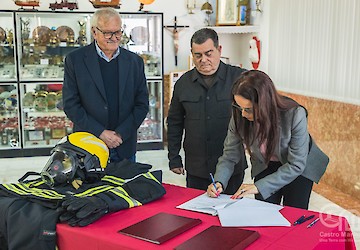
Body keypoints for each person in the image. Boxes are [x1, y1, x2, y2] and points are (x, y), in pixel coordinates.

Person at [207, 70, 329, 209]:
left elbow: (296, 165)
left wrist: (259, 186)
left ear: (265, 104)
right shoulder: (239, 116)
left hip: (298, 166)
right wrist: (219, 181)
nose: (243, 114)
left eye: (249, 109)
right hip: (265, 163)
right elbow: (229, 156)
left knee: (294, 212)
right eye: (239, 107)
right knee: (263, 210)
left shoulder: (294, 114)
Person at [63, 7, 149, 163]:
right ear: (94, 32)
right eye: (108, 33)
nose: (114, 38)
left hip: (124, 145)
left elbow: (142, 104)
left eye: (118, 32)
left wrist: (120, 134)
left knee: (124, 187)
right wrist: (100, 133)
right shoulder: (75, 60)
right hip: (88, 145)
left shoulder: (134, 62)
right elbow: (71, 105)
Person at [167, 28, 247, 193]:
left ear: (219, 50)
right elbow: (175, 122)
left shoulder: (240, 79)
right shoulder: (183, 83)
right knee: (198, 214)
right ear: (192, 53)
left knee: (229, 214)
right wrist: (174, 158)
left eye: (209, 53)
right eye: (198, 55)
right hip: (197, 167)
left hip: (231, 165)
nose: (203, 60)